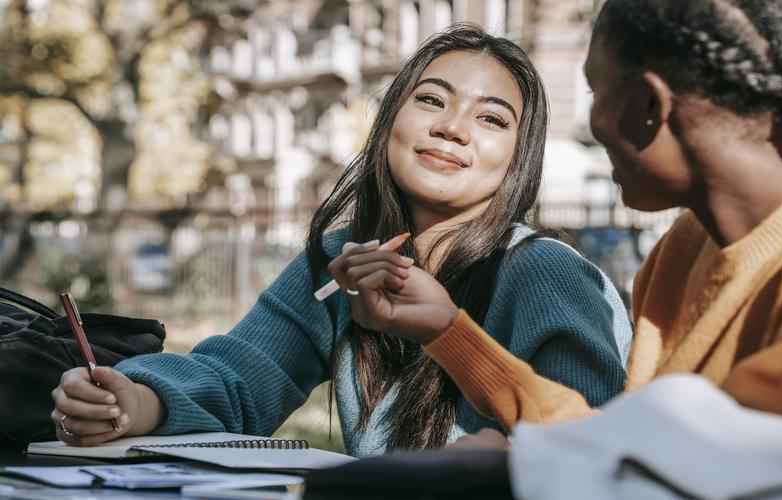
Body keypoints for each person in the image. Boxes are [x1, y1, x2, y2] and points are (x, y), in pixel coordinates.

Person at [49, 24, 632, 456]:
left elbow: (586, 447)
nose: (451, 128)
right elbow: (240, 378)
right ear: (388, 123)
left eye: (491, 119)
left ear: (518, 161)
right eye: (430, 99)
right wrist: (133, 402)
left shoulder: (545, 271)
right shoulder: (341, 259)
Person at [335, 0, 782, 439]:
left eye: (595, 91)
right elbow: (625, 441)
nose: (590, 118)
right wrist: (447, 331)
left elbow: (704, 468)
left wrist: (511, 468)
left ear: (646, 107)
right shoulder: (682, 252)